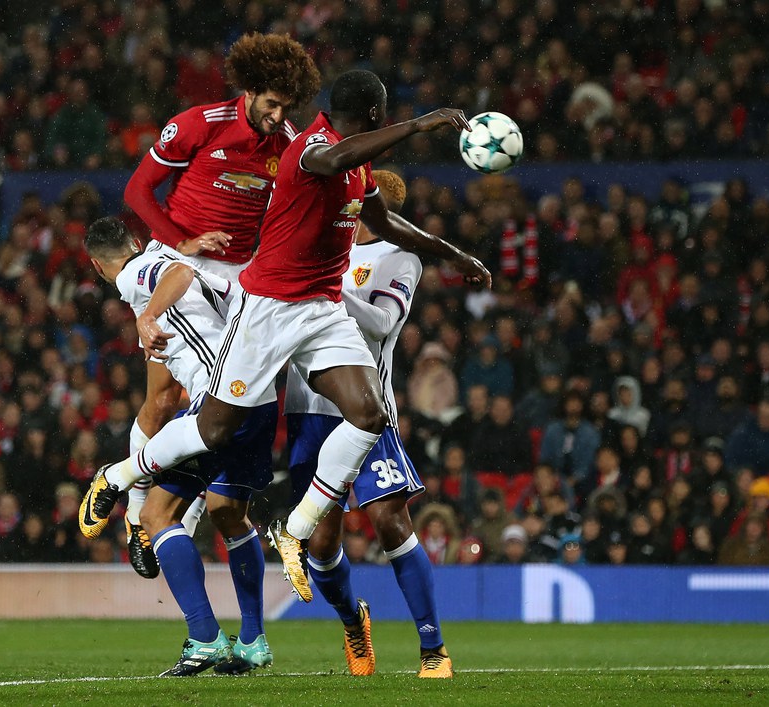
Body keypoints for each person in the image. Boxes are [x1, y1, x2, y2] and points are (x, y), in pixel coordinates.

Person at [81, 70, 490, 612]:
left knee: (370, 413)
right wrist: (417, 126)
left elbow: (385, 224)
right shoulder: (310, 147)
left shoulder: (357, 161)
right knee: (213, 426)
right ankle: (119, 475)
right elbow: (333, 161)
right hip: (269, 306)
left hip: (322, 309)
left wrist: (454, 255)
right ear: (375, 116)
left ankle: (294, 527)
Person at [119, 33, 321, 577]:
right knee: (162, 399)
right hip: (178, 265)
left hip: (239, 279)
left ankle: (170, 517)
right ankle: (140, 512)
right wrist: (178, 240)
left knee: (221, 401)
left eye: (286, 107)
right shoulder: (197, 124)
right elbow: (138, 192)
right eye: (270, 104)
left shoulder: (292, 144)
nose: (277, 116)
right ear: (250, 90)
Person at [83, 217, 274, 677]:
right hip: (261, 399)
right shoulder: (181, 257)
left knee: (157, 516)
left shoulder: (136, 274)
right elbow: (190, 272)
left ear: (97, 266)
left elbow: (177, 275)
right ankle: (252, 640)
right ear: (134, 240)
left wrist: (147, 315)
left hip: (218, 402)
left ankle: (205, 638)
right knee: (229, 513)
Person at [284, 170, 450, 678]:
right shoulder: (315, 244)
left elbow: (382, 324)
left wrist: (329, 287)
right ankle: (353, 624)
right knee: (321, 543)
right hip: (307, 410)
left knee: (390, 522)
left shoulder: (401, 259)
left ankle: (433, 649)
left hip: (367, 409)